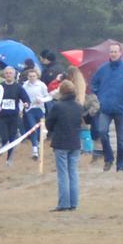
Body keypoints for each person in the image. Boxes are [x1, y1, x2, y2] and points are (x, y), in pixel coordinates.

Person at [90, 43, 123, 171]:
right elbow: (94, 83)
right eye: (111, 51)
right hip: (105, 108)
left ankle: (120, 165)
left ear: (120, 53)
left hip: (121, 109)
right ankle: (108, 159)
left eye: (115, 51)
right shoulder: (102, 69)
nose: (113, 54)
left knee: (121, 140)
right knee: (102, 132)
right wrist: (100, 95)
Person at [44, 80, 86, 211]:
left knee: (63, 174)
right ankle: (74, 203)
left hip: (61, 142)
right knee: (73, 173)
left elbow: (49, 123)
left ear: (61, 91)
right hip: (75, 142)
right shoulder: (79, 106)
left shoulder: (58, 106)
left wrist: (53, 131)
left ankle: (64, 203)